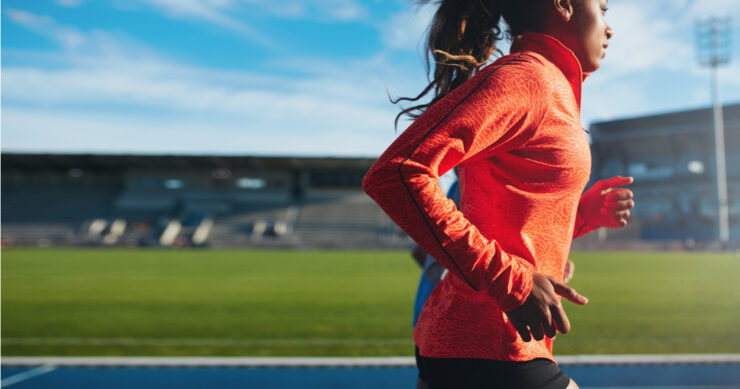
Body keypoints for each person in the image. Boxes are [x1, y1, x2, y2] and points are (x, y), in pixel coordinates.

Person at [363, 0, 634, 388]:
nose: (609, 28)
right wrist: (513, 282)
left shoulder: (552, 85)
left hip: (485, 347)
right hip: (488, 346)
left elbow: (507, 226)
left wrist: (582, 215)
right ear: (563, 5)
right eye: (603, 8)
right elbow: (397, 172)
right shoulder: (526, 80)